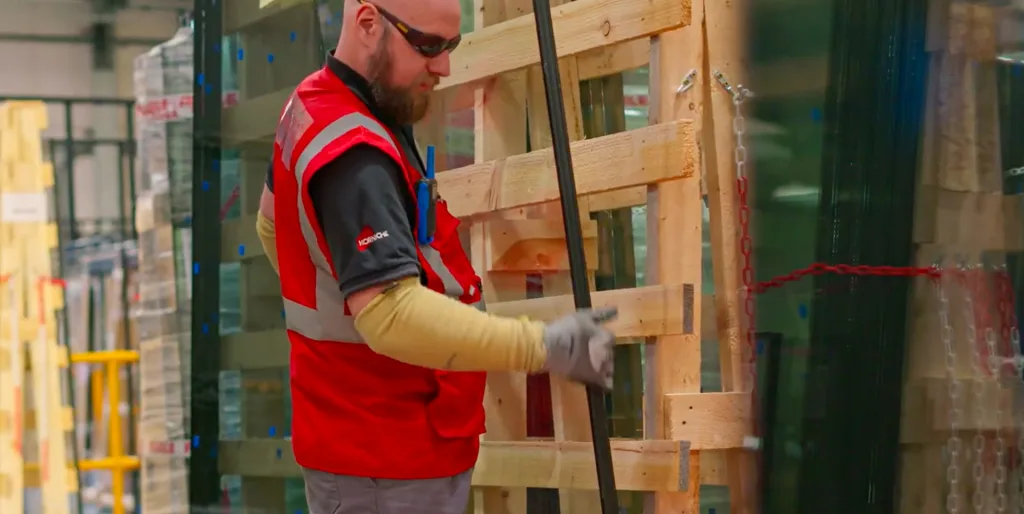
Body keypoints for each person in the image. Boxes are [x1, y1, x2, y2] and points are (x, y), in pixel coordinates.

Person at [254, 0, 618, 512]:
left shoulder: (316, 103)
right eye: (428, 46)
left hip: (388, 444)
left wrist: (336, 293)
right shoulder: (354, 154)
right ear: (366, 23)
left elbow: (272, 225)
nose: (443, 66)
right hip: (382, 457)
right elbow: (392, 315)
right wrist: (546, 346)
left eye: (452, 46)